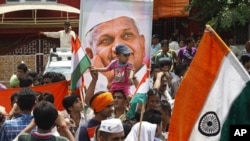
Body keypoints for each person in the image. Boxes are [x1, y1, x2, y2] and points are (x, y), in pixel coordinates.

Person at [83, 0, 150, 94]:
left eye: (127, 36)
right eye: (105, 40)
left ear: (142, 44)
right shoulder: (84, 86)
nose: (118, 47)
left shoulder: (151, 82)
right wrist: (107, 82)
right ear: (90, 54)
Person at [76, 70, 114, 141]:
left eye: (112, 106)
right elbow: (88, 101)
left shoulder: (113, 124)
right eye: (108, 106)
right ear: (99, 108)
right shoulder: (85, 128)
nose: (112, 109)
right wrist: (94, 80)